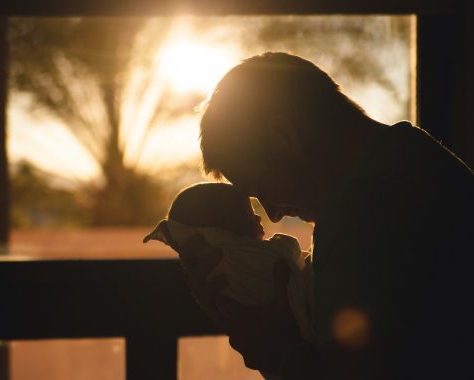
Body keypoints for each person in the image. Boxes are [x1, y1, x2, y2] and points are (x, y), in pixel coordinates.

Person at [177, 52, 474, 379]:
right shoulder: (419, 158)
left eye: (260, 186)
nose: (273, 215)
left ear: (284, 136)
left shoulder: (358, 214)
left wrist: (271, 346)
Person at [143, 183, 315, 352]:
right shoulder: (250, 261)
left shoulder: (215, 273)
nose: (261, 217)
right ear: (221, 233)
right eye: (248, 214)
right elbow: (292, 258)